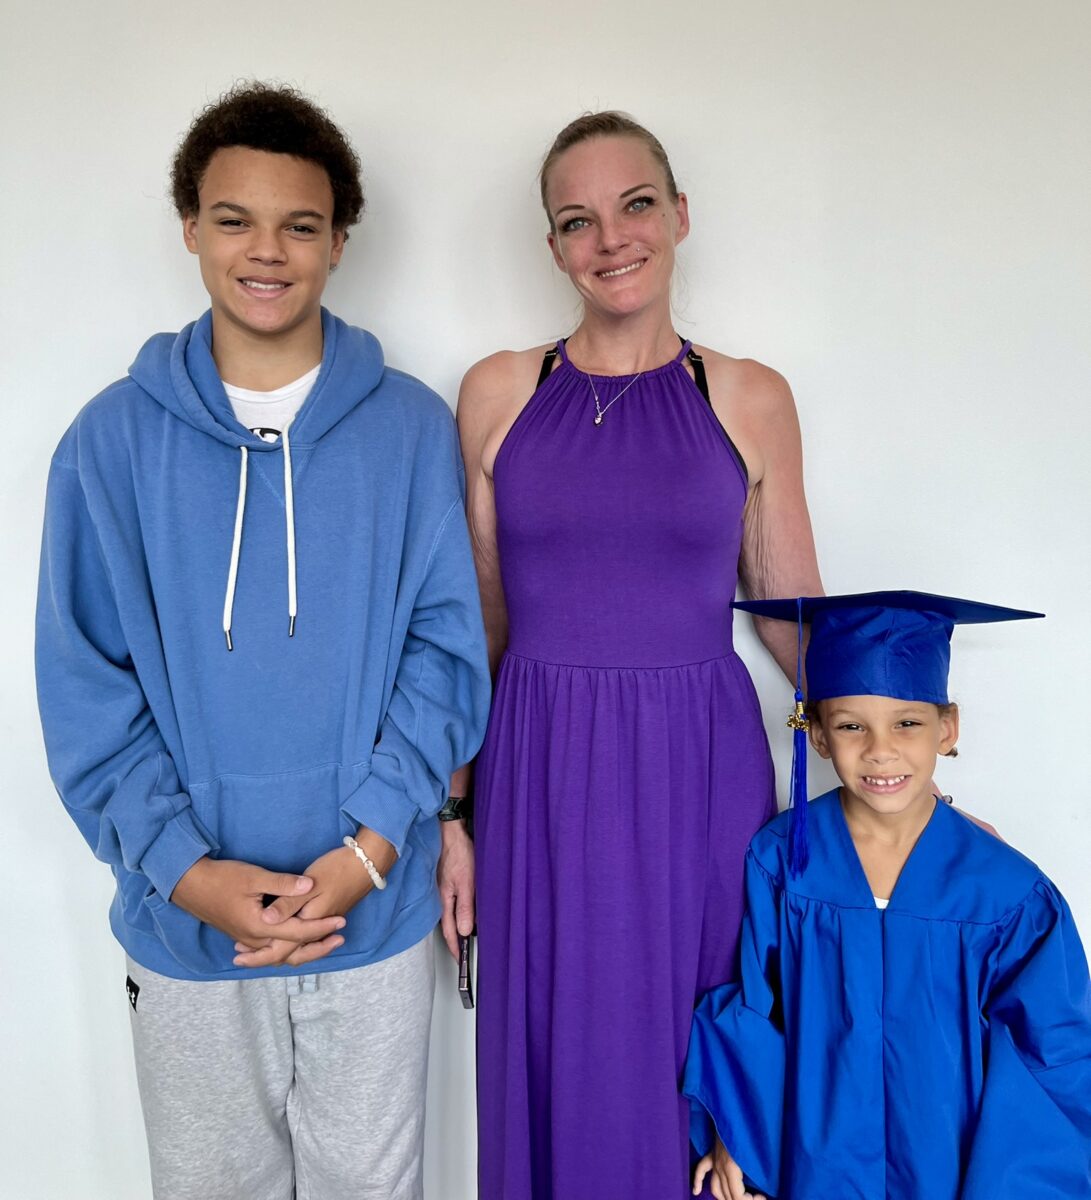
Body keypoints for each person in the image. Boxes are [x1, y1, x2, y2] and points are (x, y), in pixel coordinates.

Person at [35, 81, 490, 1200]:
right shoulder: (108, 443)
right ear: (189, 228)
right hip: (183, 928)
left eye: (298, 224)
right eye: (233, 219)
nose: (266, 251)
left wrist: (369, 851)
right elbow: (86, 689)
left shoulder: (408, 430)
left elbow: (444, 654)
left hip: (370, 916)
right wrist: (187, 873)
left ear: (339, 241)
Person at [450, 111, 823, 1199]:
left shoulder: (748, 396)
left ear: (678, 216)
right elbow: (480, 631)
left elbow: (790, 615)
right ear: (552, 246)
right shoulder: (496, 392)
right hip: (538, 769)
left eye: (634, 205)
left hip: (695, 774)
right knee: (553, 1043)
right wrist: (451, 821)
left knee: (693, 1055)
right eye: (577, 219)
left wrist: (899, 777)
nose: (609, 238)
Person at [685, 591, 1091, 1200]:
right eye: (851, 725)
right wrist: (733, 1132)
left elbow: (1051, 1055)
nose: (880, 749)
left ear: (947, 729)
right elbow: (751, 1009)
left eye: (908, 722)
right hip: (816, 1167)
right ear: (817, 735)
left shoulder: (1006, 893)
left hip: (950, 1173)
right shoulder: (782, 862)